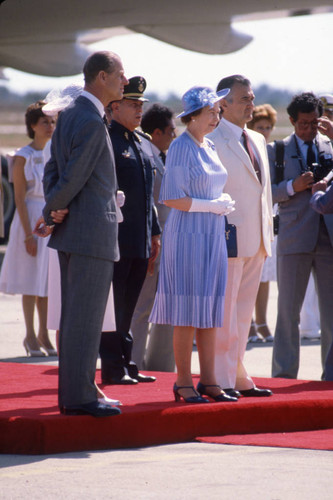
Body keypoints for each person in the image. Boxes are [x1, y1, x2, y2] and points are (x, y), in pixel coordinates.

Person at [36, 51, 128, 417]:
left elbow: (54, 169)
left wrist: (54, 207)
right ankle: (79, 399)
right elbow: (74, 175)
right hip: (90, 231)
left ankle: (81, 390)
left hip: (75, 229)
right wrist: (51, 210)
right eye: (121, 75)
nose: (125, 81)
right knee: (85, 319)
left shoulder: (72, 115)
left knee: (78, 317)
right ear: (102, 77)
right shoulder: (89, 119)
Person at [149, 85, 238, 404]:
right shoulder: (181, 147)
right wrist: (209, 205)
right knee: (187, 309)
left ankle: (210, 381)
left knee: (211, 306)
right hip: (187, 235)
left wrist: (221, 202)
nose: (217, 116)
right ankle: (184, 382)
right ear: (193, 116)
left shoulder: (210, 145)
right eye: (211, 112)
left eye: (218, 111)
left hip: (212, 234)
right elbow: (171, 197)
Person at [208, 75, 273, 398]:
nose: (251, 104)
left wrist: (267, 232)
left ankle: (238, 372)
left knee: (244, 312)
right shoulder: (212, 139)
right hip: (227, 237)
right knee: (225, 314)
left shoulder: (257, 140)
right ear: (224, 103)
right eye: (244, 99)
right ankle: (221, 378)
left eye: (251, 97)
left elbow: (264, 192)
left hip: (257, 237)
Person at [99, 76, 161, 385]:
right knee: (115, 305)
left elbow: (147, 194)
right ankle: (112, 367)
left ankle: (127, 362)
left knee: (130, 304)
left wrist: (155, 232)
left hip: (139, 238)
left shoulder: (142, 142)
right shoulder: (107, 139)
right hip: (115, 238)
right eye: (132, 104)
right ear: (115, 106)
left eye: (140, 105)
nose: (139, 110)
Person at [268, 92, 333, 379]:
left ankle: (330, 377)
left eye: (313, 123)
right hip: (294, 238)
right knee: (287, 314)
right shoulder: (277, 150)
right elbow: (265, 193)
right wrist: (293, 186)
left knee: (331, 316)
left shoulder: (330, 147)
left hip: (328, 238)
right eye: (302, 123)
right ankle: (283, 376)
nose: (308, 129)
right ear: (292, 121)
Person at [0, 101, 57, 357]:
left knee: (45, 282)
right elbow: (21, 197)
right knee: (29, 280)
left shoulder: (55, 153)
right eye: (44, 121)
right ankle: (30, 335)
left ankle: (45, 333)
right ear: (33, 125)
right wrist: (27, 234)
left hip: (49, 217)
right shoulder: (22, 156)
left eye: (52, 121)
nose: (49, 126)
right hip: (30, 218)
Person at [130, 103, 176, 372]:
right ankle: (133, 362)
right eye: (171, 130)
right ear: (156, 132)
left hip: (170, 245)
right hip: (151, 243)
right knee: (142, 307)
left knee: (168, 308)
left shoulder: (164, 156)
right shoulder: (146, 156)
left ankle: (159, 365)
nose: (175, 134)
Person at [247, 104, 277, 343]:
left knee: (264, 276)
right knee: (247, 276)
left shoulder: (272, 151)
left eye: (268, 127)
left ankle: (263, 322)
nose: (265, 131)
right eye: (260, 127)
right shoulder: (246, 147)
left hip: (269, 218)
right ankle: (248, 324)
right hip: (248, 218)